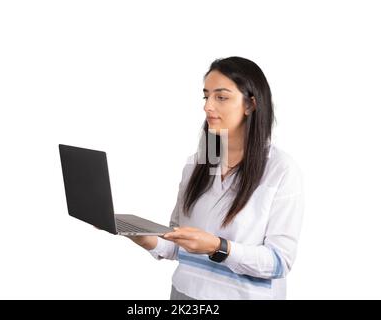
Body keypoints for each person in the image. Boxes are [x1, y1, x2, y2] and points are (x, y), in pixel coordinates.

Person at [127, 56, 304, 300]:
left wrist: (219, 247)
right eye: (206, 96)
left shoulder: (281, 170)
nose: (207, 106)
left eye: (221, 97)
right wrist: (144, 237)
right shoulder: (197, 163)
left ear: (250, 105)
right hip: (184, 295)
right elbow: (180, 245)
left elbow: (278, 262)